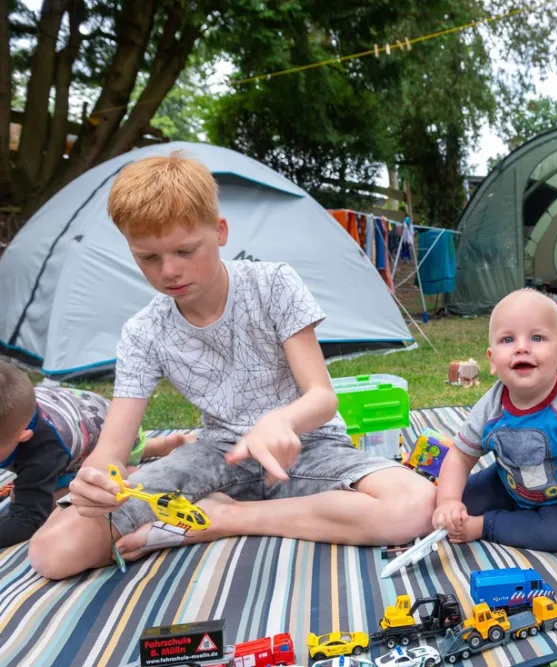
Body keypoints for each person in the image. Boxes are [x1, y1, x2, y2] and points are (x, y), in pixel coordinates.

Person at [27, 152, 436, 580]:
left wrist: (281, 422)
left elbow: (321, 397)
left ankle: (223, 519)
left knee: (416, 505)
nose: (169, 271)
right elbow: (112, 449)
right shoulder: (143, 331)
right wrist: (96, 481)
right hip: (217, 455)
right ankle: (226, 512)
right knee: (54, 552)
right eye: (148, 258)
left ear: (220, 232)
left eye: (186, 250)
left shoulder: (274, 283)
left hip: (308, 446)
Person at [432, 288, 557, 582]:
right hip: (508, 480)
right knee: (446, 506)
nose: (521, 348)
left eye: (537, 338)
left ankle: (485, 526)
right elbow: (460, 456)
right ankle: (474, 511)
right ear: (492, 361)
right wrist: (447, 500)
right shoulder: (491, 406)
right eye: (508, 340)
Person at [0, 361, 190, 548]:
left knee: (27, 496)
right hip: (82, 410)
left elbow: (26, 520)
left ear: (23, 436)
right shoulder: (14, 407)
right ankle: (151, 446)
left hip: (114, 435)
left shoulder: (44, 452)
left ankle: (128, 467)